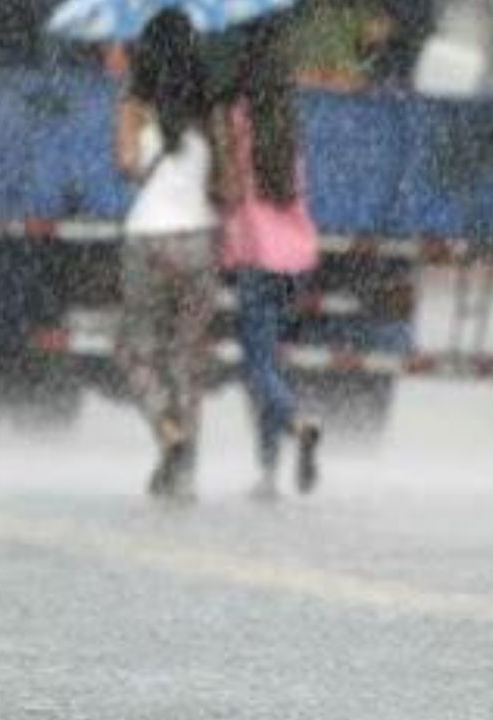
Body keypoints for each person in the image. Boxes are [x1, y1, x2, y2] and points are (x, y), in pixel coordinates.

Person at [113, 10, 223, 499]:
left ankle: (167, 432)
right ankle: (184, 470)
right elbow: (227, 183)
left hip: (149, 237)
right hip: (199, 239)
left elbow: (127, 164)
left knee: (137, 350)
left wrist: (145, 152)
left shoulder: (135, 104)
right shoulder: (210, 112)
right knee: (188, 358)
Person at [216, 16, 322, 500]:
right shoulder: (287, 122)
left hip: (255, 257)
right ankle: (267, 472)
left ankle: (298, 424)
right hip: (297, 260)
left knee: (256, 367)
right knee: (272, 361)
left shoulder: (239, 120)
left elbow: (230, 188)